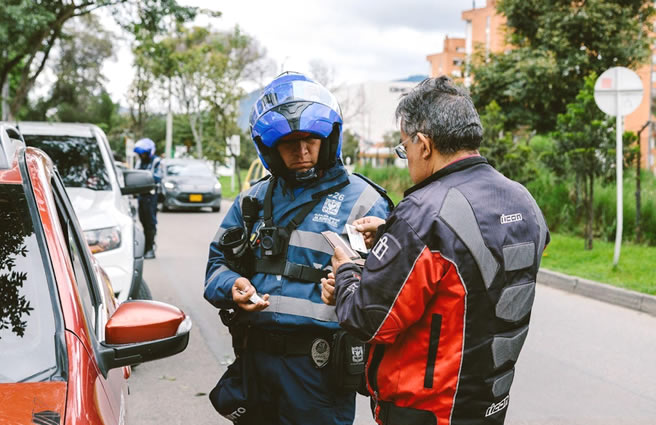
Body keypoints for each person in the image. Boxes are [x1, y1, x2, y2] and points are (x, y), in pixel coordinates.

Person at [321, 76, 550, 425]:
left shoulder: (423, 214)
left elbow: (368, 320)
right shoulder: (523, 199)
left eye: (404, 148)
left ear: (424, 144)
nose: (407, 158)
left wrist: (348, 269)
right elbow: (475, 266)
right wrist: (390, 235)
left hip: (428, 411)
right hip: (490, 402)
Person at [204, 72, 391, 425]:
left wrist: (349, 288)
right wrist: (232, 286)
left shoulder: (365, 201)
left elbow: (391, 292)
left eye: (310, 139)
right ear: (270, 148)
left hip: (319, 372)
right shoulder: (251, 201)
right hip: (255, 362)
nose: (302, 151)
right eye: (289, 142)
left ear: (328, 139)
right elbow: (216, 268)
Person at [133, 138, 162, 259]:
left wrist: (145, 176)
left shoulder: (156, 161)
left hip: (151, 196)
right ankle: (146, 246)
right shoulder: (139, 162)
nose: (142, 156)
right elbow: (135, 174)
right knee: (143, 221)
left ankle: (150, 248)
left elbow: (158, 177)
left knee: (150, 222)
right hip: (141, 195)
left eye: (144, 153)